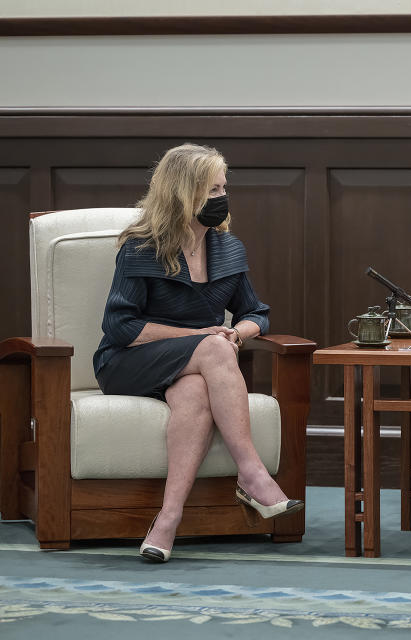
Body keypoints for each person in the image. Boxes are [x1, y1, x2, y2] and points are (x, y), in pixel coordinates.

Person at [93, 143, 303, 563]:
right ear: (181, 194)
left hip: (195, 365)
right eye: (211, 190)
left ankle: (167, 520)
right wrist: (202, 337)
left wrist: (234, 335)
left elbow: (255, 314)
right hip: (128, 363)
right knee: (211, 346)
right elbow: (120, 326)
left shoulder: (228, 248)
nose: (221, 199)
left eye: (223, 188)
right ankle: (252, 473)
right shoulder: (140, 248)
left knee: (196, 392)